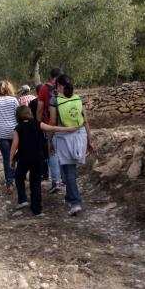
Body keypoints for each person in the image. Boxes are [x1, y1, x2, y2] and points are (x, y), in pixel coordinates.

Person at [10, 106, 77, 216]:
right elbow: (53, 128)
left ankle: (23, 200)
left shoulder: (18, 128)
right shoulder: (38, 124)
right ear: (29, 113)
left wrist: (11, 159)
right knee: (35, 183)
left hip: (23, 158)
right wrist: (68, 129)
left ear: (18, 115)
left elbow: (14, 145)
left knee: (19, 176)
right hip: (38, 158)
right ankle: (37, 210)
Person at [50, 74, 93, 216]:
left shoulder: (55, 100)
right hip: (80, 135)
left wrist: (50, 141)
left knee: (68, 170)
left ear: (58, 86)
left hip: (64, 138)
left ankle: (75, 202)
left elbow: (52, 123)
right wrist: (89, 141)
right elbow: (85, 121)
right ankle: (69, 197)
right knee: (70, 169)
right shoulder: (78, 99)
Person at [0, 81, 19, 194]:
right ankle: (15, 177)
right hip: (14, 131)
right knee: (14, 155)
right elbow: (19, 114)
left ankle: (9, 183)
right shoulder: (14, 100)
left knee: (6, 157)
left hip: (1, 132)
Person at [37, 68, 63, 194]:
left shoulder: (44, 88)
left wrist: (37, 124)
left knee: (52, 151)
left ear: (50, 76)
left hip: (49, 124)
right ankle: (66, 179)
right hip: (66, 125)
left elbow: (40, 109)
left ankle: (56, 182)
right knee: (65, 151)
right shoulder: (65, 85)